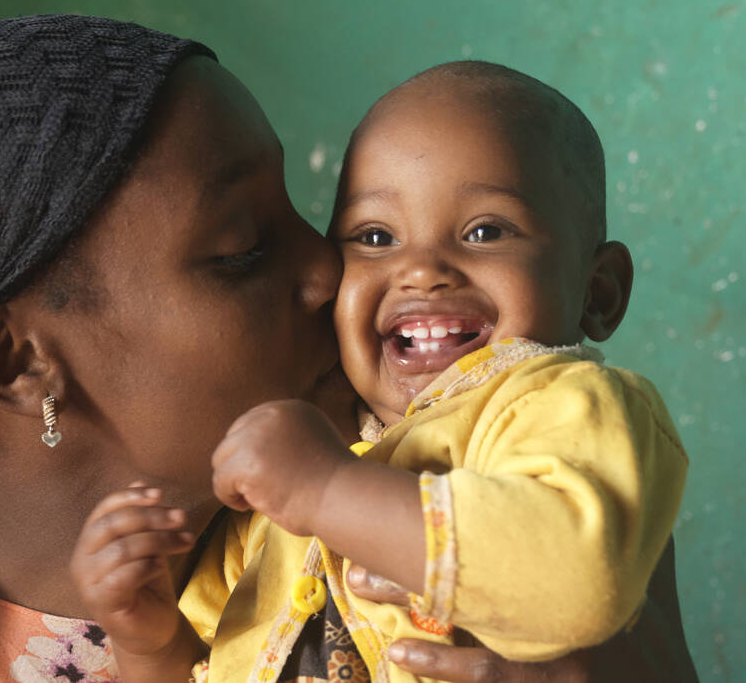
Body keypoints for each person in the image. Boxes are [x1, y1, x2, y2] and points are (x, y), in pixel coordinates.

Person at [0, 16, 696, 683]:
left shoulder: (455, 498)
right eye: (241, 249)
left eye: (312, 214)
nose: (336, 273)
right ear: (21, 365)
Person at [71, 62, 689, 683]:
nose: (421, 269)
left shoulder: (562, 405)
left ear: (598, 292)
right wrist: (151, 645)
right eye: (373, 236)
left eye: (485, 230)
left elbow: (578, 584)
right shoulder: (289, 476)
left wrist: (327, 491)